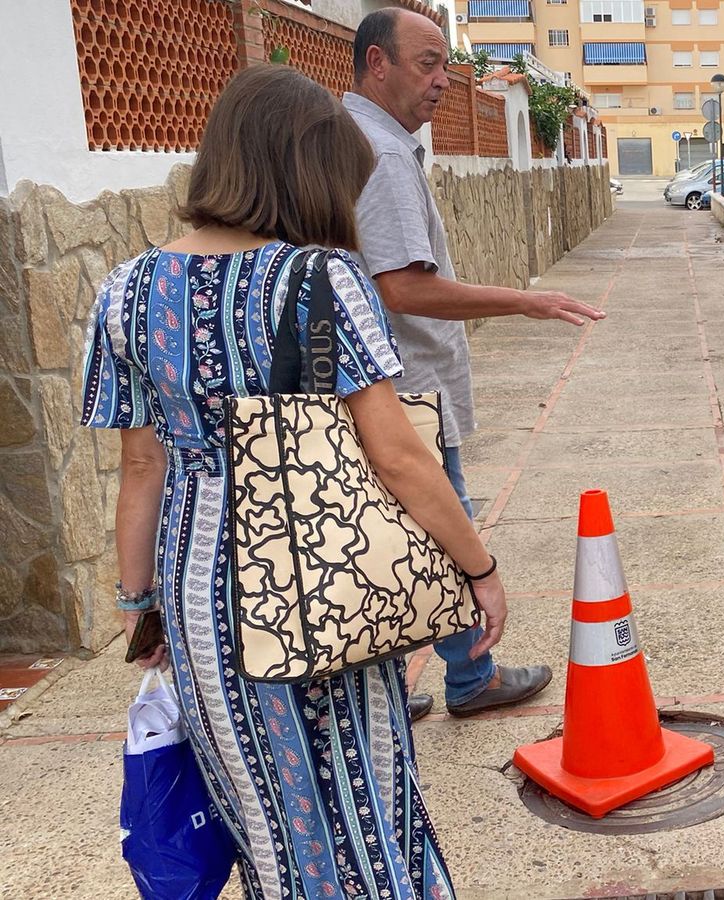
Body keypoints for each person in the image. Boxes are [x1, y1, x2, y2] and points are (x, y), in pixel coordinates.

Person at [83, 65, 485, 898]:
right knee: (367, 809)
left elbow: (140, 466)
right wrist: (477, 568)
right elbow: (399, 456)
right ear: (304, 168)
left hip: (199, 603)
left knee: (269, 827)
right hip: (320, 578)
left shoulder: (125, 290)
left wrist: (139, 605)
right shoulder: (317, 280)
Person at [344, 8, 606, 720]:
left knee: (392, 533)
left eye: (444, 64)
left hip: (380, 380)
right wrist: (527, 302)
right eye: (427, 63)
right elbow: (403, 284)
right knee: (443, 520)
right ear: (377, 64)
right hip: (407, 388)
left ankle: (407, 685)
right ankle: (472, 675)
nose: (442, 81)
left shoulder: (353, 138)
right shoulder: (386, 155)